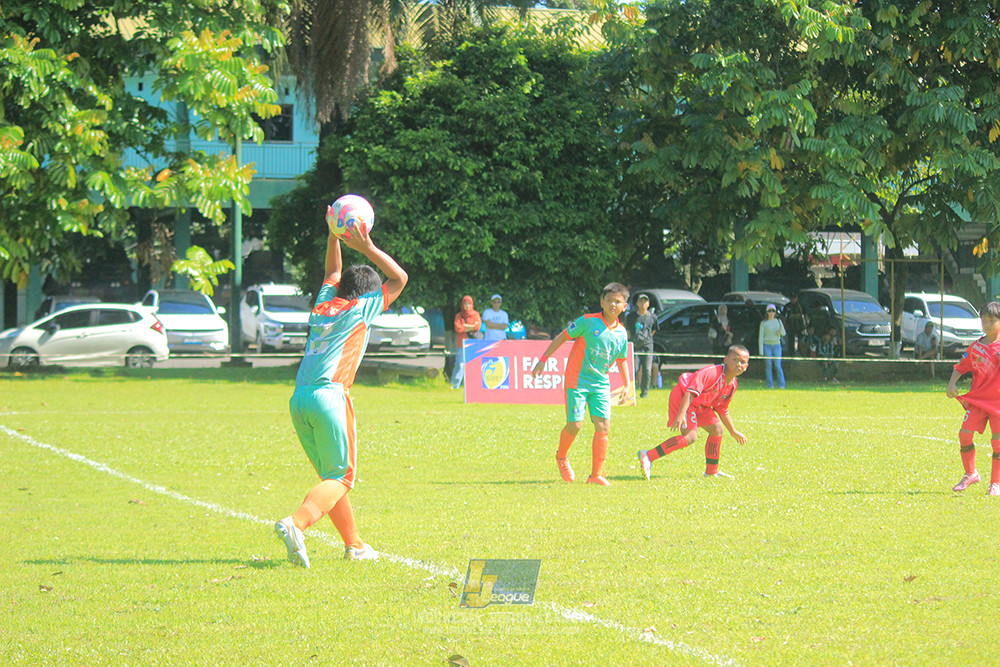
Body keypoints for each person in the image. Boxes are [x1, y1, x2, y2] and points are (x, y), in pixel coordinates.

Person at [273, 220, 408, 566]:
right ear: (367, 295)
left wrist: (333, 234)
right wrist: (366, 246)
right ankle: (296, 523)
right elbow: (399, 279)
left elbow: (332, 272)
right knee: (341, 478)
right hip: (330, 397)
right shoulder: (361, 308)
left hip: (299, 399)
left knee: (331, 478)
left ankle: (355, 545)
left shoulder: (323, 305)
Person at [531, 283, 633, 486]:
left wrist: (627, 385)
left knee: (603, 426)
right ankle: (561, 456)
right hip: (577, 381)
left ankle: (596, 475)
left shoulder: (622, 333)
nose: (613, 304)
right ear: (601, 302)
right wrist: (543, 359)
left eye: (617, 301)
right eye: (609, 300)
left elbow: (622, 360)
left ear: (625, 306)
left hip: (601, 384)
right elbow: (562, 336)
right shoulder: (587, 321)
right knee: (575, 425)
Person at [637, 345, 750, 480]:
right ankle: (648, 455)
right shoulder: (712, 373)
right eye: (735, 360)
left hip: (700, 405)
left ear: (746, 366)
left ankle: (711, 472)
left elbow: (722, 409)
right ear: (726, 359)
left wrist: (733, 431)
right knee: (690, 437)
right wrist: (681, 414)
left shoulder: (732, 385)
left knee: (717, 429)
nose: (738, 364)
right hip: (683, 397)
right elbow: (690, 393)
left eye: (742, 362)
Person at [946, 302, 1000, 496]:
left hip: (998, 403)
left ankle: (995, 483)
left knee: (998, 442)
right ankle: (971, 473)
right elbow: (960, 366)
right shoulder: (976, 347)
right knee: (964, 434)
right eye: (984, 320)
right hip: (978, 400)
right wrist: (952, 383)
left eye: (991, 321)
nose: (987, 325)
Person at [626, 294, 658, 399]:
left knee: (647, 369)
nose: (643, 303)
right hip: (635, 346)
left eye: (645, 301)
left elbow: (654, 330)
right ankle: (630, 391)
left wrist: (647, 339)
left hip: (648, 346)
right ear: (637, 303)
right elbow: (628, 331)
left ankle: (644, 393)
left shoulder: (652, 317)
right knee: (634, 369)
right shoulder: (631, 316)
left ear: (648, 304)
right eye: (641, 301)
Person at [451, 295, 482, 389]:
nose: (467, 306)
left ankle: (472, 386)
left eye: (469, 304)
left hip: (472, 342)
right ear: (462, 305)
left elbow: (477, 327)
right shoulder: (459, 315)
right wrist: (471, 327)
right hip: (461, 343)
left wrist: (465, 326)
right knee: (460, 364)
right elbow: (458, 328)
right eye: (465, 304)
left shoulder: (475, 314)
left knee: (473, 364)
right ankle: (455, 385)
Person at [758, 304, 786, 389]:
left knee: (777, 365)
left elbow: (784, 333)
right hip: (767, 346)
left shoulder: (778, 321)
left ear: (775, 312)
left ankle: (781, 384)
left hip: (777, 345)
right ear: (767, 312)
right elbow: (760, 337)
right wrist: (761, 351)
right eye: (769, 311)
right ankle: (770, 385)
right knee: (768, 365)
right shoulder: (763, 323)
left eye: (773, 311)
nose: (771, 313)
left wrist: (779, 332)